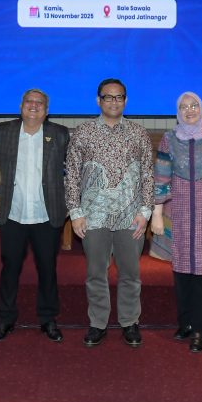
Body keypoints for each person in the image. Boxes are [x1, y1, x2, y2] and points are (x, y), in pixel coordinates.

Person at [65, 78, 154, 348]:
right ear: (98, 100)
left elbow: (148, 174)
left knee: (130, 274)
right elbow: (72, 175)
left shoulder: (139, 133)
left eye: (119, 97)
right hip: (93, 217)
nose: (113, 102)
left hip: (131, 217)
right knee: (96, 273)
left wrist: (145, 212)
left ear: (125, 100)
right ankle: (98, 323)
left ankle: (129, 322)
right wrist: (75, 212)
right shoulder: (83, 133)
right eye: (108, 97)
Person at [0, 88, 70, 342]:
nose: (33, 105)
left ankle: (48, 319)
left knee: (47, 269)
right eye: (29, 101)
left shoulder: (60, 134)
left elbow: (73, 170)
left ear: (47, 110)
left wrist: (67, 202)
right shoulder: (5, 130)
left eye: (39, 103)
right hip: (14, 212)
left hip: (47, 213)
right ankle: (5, 319)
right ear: (21, 106)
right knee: (10, 268)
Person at [150, 92, 202, 353]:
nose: (189, 110)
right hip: (178, 212)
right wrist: (156, 213)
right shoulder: (169, 139)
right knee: (182, 269)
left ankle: (200, 329)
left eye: (194, 105)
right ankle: (185, 322)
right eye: (184, 107)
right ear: (178, 111)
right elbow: (161, 177)